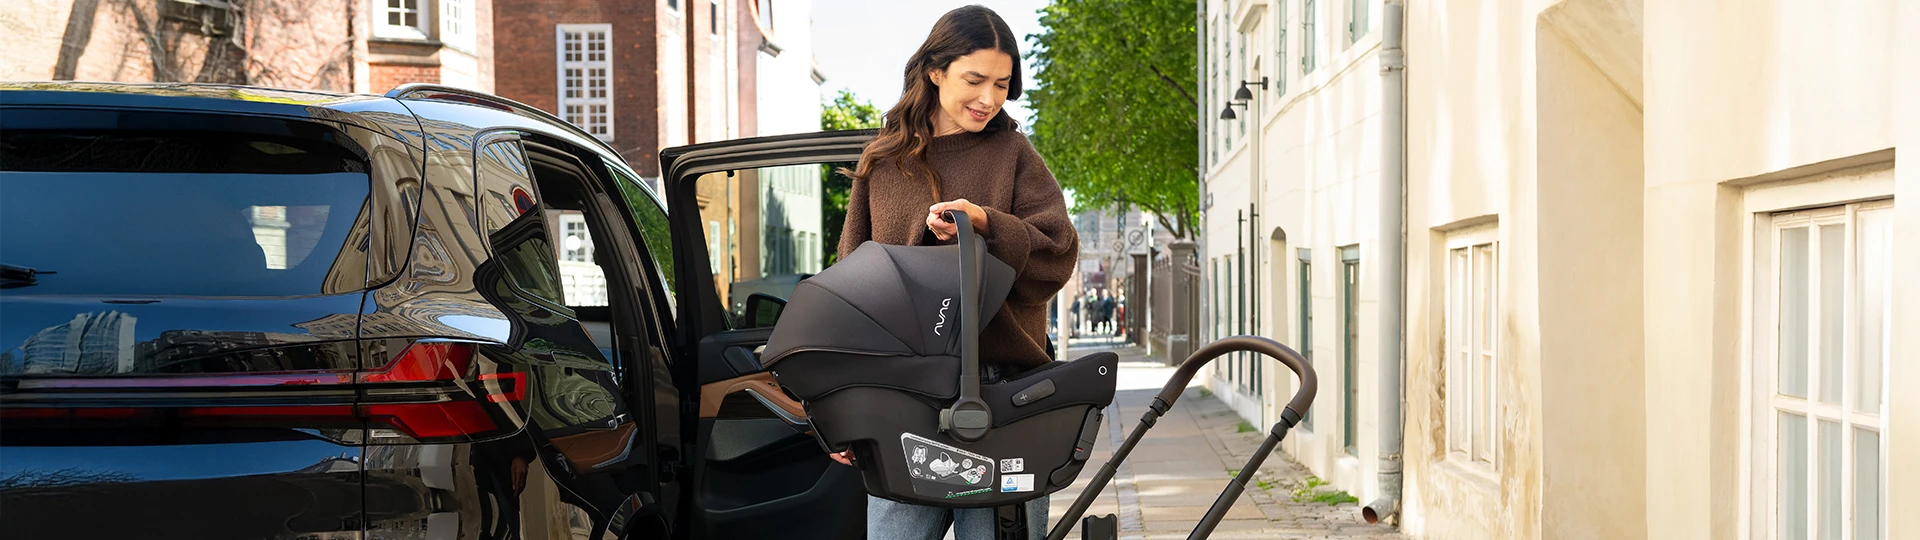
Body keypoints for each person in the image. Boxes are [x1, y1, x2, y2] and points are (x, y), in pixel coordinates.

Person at [827, 5, 1079, 540]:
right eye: (975, 79)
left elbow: (1057, 254)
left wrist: (987, 224)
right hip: (901, 398)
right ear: (935, 71)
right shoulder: (883, 164)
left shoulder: (1014, 153)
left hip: (1004, 394)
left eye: (1002, 84)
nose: (989, 98)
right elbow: (851, 294)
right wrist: (843, 408)